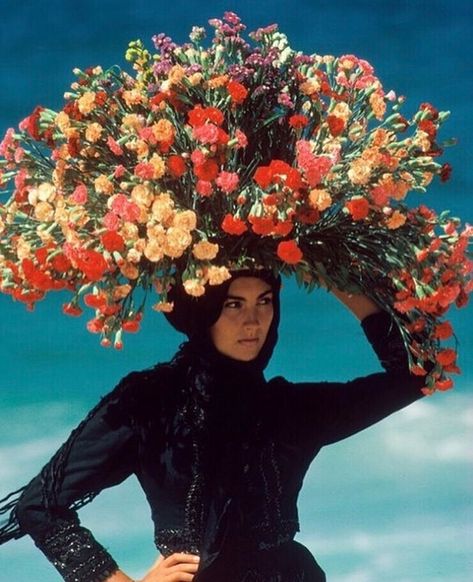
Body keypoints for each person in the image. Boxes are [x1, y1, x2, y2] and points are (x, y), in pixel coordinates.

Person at [0, 269, 428, 582]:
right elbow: (39, 506)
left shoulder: (290, 409)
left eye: (265, 301)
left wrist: (331, 273)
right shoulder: (150, 401)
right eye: (233, 304)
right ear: (204, 311)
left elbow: (419, 373)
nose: (253, 321)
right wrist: (117, 581)